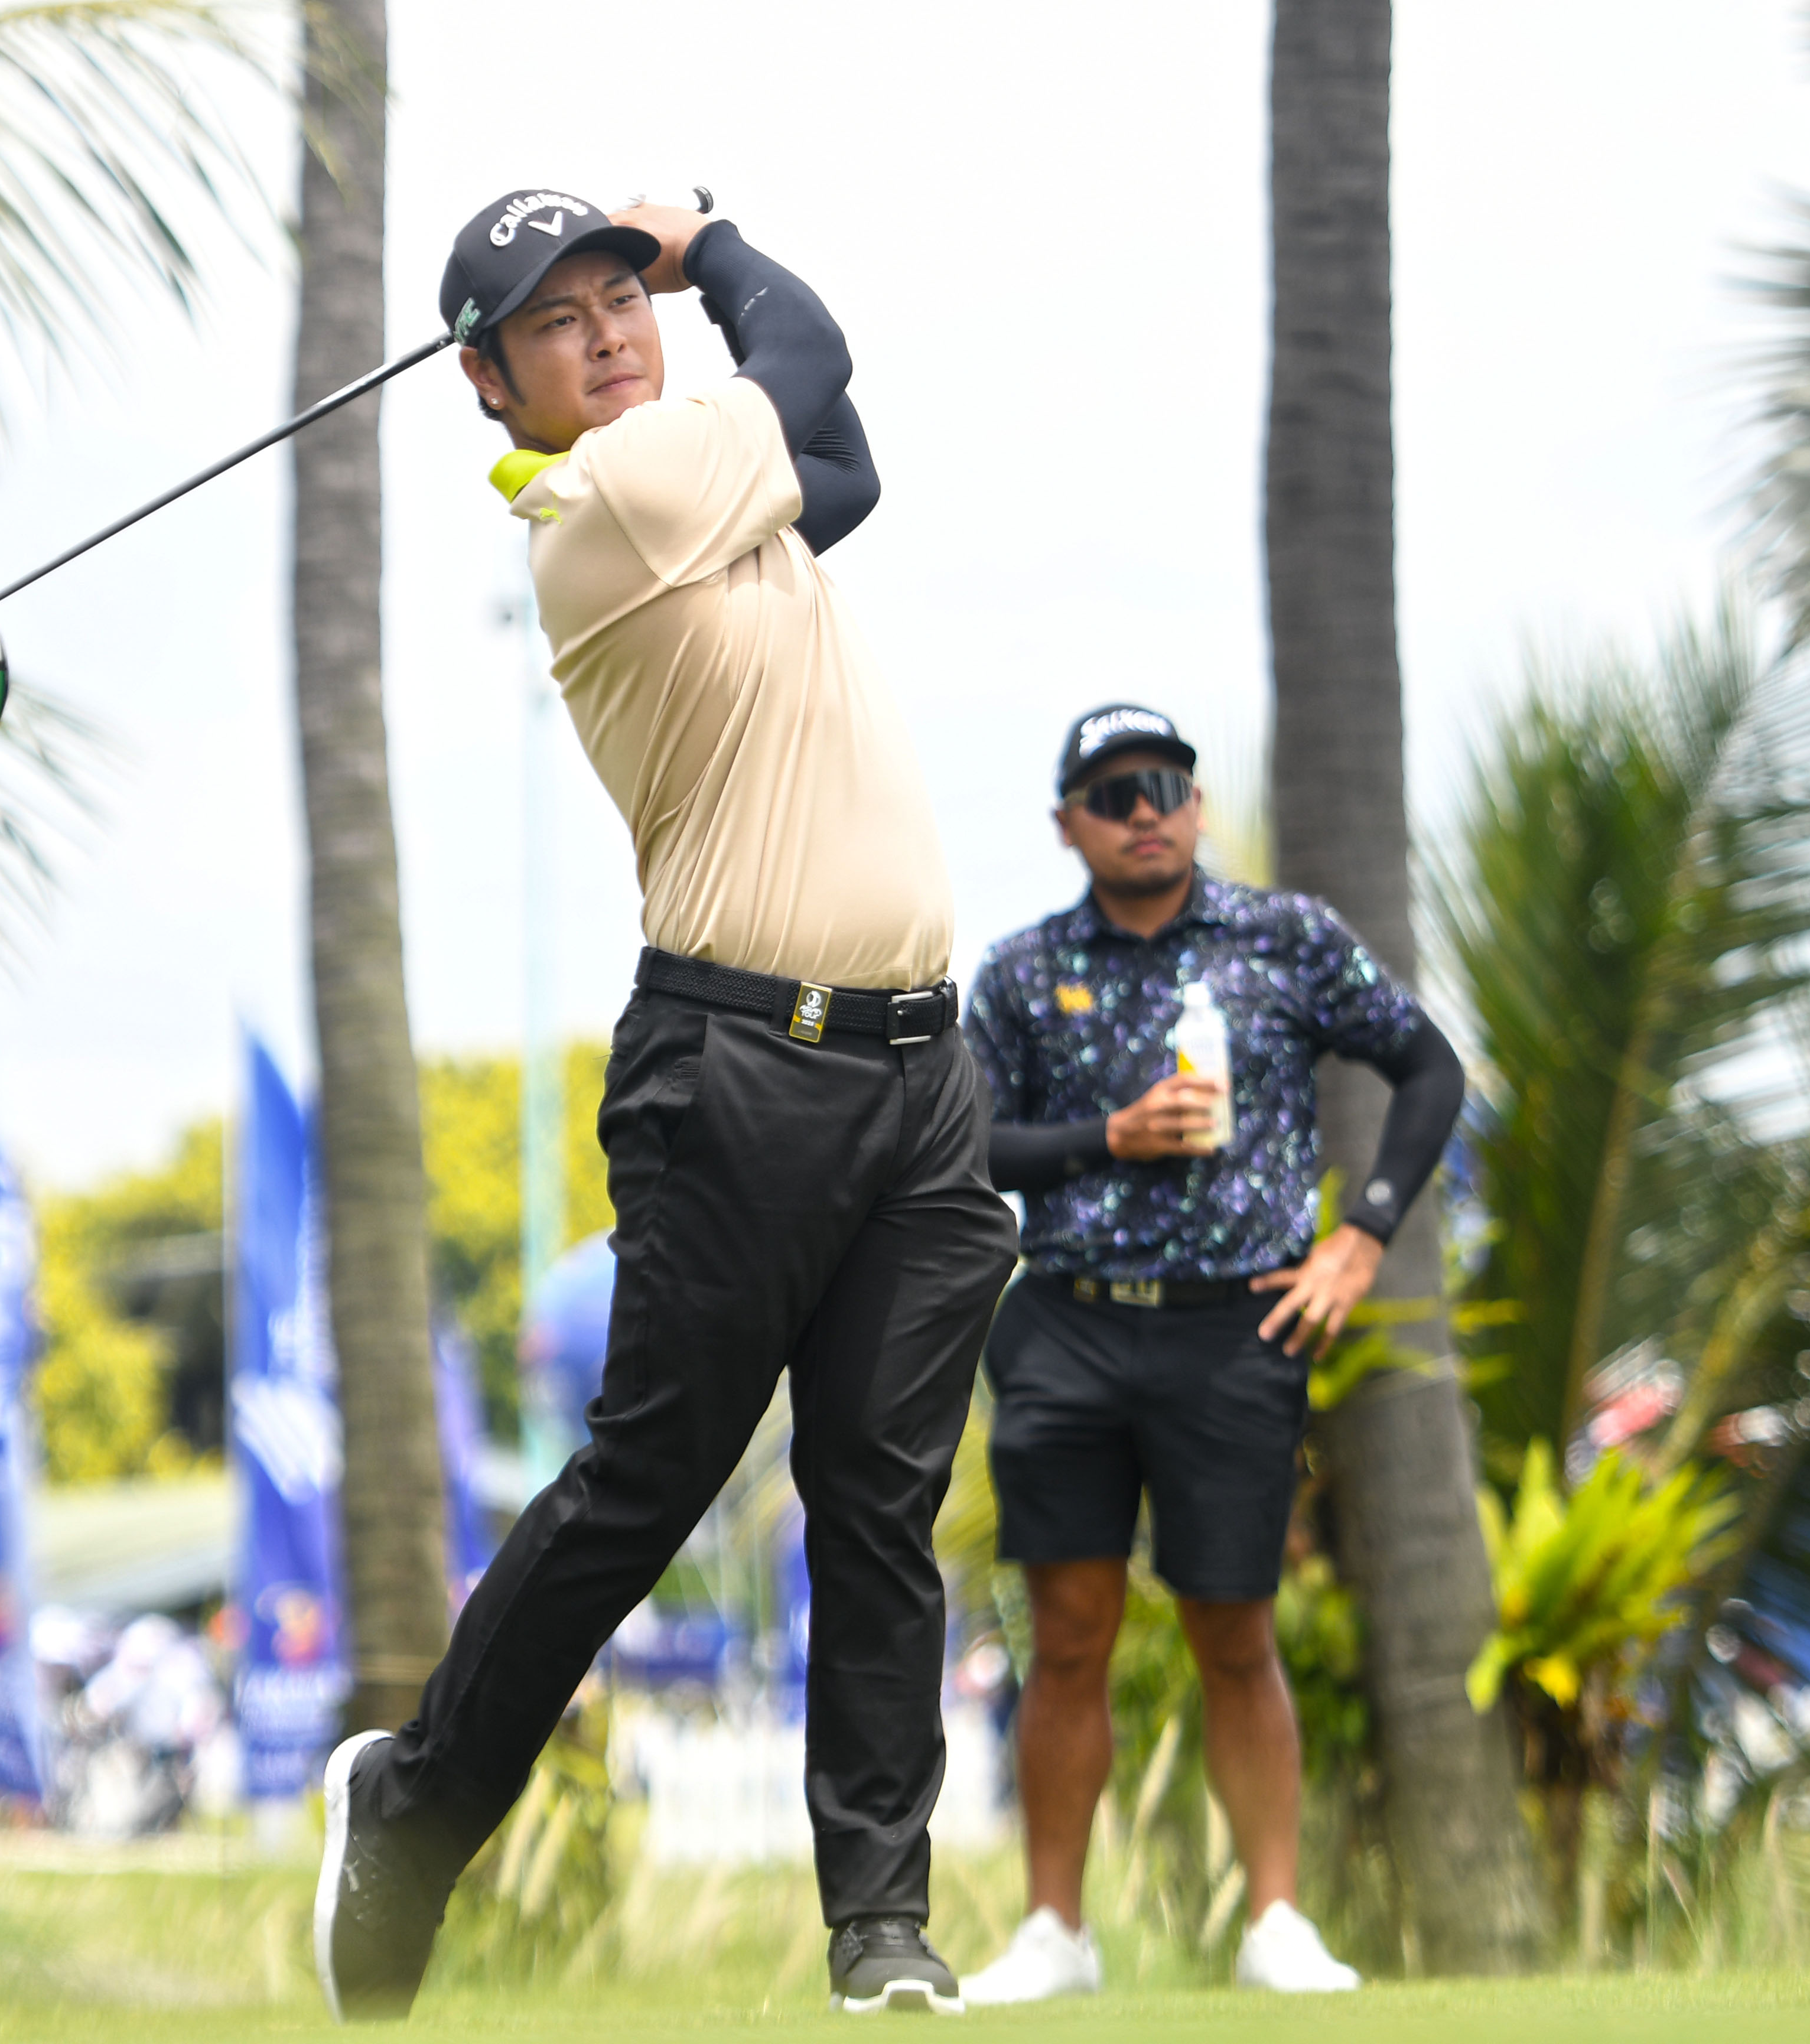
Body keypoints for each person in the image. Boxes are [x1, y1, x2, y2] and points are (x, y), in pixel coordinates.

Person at [311, 190, 1016, 2022]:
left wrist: (694, 282)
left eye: (623, 294)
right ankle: (416, 1802)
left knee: (879, 1507)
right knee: (646, 1486)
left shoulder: (721, 496)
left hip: (921, 1075)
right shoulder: (615, 497)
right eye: (559, 322)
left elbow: (845, 462)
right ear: (490, 386)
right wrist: (707, 241)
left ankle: (882, 1930)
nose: (612, 329)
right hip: (740, 1069)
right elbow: (816, 359)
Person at [952, 704, 1466, 2000]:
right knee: (1067, 1634)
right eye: (1114, 793)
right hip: (1068, 1317)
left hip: (1236, 1325)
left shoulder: (1286, 939)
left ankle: (1275, 1921)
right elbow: (964, 1144)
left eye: (1165, 786)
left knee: (1234, 1626)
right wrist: (1108, 1137)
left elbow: (1430, 1069)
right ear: (1068, 823)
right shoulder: (1019, 971)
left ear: (1194, 805)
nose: (1145, 812)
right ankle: (1055, 1933)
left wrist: (1363, 1239)